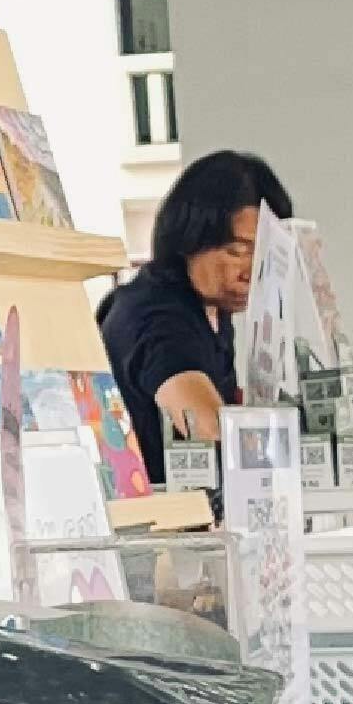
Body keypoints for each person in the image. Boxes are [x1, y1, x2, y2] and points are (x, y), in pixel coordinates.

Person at [98, 147, 288, 469]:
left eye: (265, 255)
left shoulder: (212, 309)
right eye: (237, 252)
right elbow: (211, 430)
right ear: (191, 238)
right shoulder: (157, 315)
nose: (253, 272)